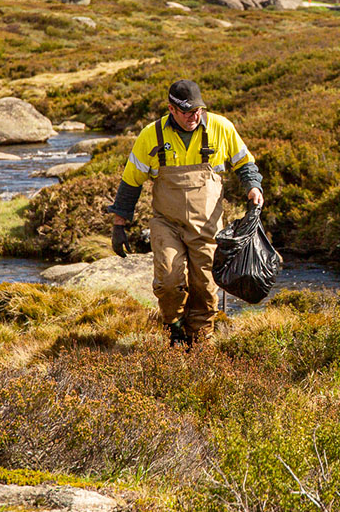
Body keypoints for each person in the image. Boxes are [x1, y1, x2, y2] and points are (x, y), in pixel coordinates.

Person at [107, 79, 264, 346]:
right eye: (187, 112)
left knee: (205, 287)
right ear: (171, 109)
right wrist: (119, 225)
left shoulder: (221, 127)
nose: (194, 116)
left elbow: (244, 162)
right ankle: (175, 331)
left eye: (198, 110)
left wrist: (253, 187)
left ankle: (201, 341)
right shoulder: (151, 135)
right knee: (169, 281)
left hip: (208, 227)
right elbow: (131, 181)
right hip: (166, 224)